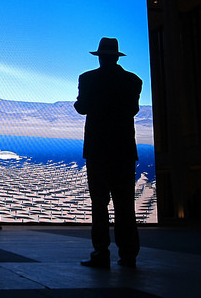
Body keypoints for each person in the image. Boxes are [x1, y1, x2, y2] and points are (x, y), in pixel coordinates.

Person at [74, 37, 142, 269]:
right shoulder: (133, 81)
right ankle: (128, 254)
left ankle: (101, 252)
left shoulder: (88, 79)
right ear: (117, 56)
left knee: (99, 204)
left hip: (97, 150)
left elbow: (81, 107)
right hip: (123, 150)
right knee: (125, 205)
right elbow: (132, 109)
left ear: (100, 57)